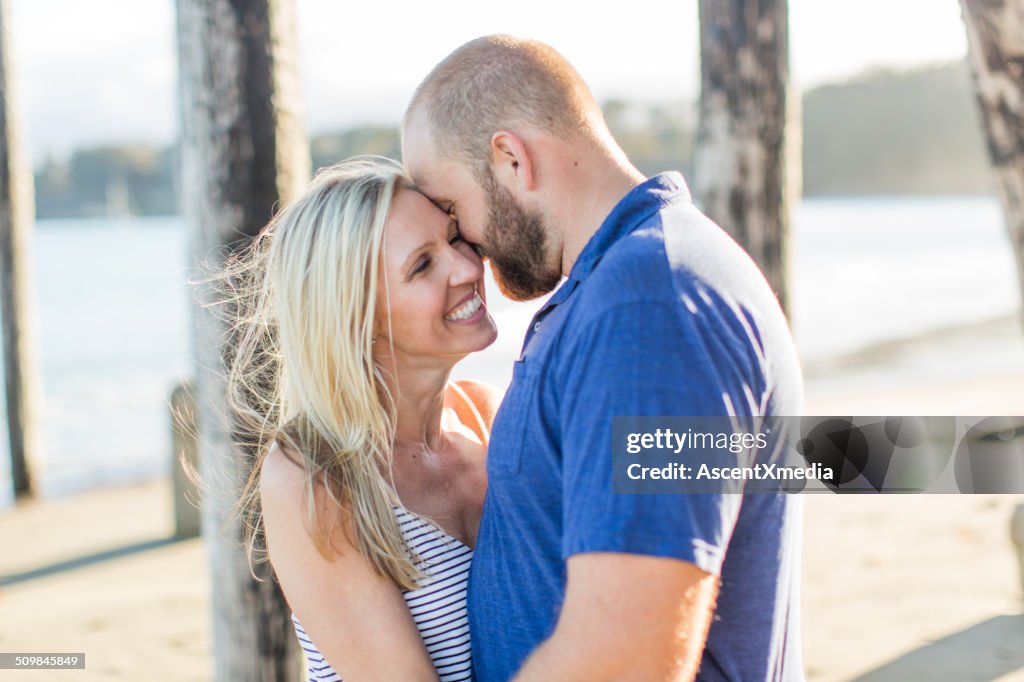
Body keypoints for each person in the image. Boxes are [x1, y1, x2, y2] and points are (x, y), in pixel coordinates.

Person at [402, 35, 805, 681]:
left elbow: (629, 655)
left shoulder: (649, 306)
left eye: (452, 211)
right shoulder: (635, 285)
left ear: (510, 159)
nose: (467, 249)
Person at [222, 156, 500, 681]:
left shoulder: (485, 416)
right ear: (356, 315)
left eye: (455, 238)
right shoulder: (315, 476)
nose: (467, 268)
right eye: (422, 265)